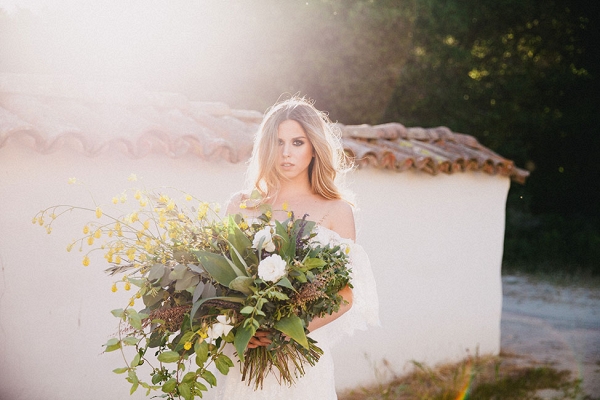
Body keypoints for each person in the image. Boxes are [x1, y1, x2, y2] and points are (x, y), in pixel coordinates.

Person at [213, 97, 379, 400]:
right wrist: (239, 326)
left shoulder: (336, 210)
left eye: (297, 142)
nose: (286, 153)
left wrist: (287, 330)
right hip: (245, 360)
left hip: (301, 360)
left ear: (314, 147)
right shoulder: (241, 205)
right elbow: (217, 281)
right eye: (278, 142)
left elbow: (344, 295)